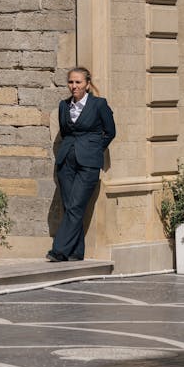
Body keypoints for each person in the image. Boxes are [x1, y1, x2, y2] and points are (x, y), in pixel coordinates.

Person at [46, 66, 116, 262]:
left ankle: (59, 250)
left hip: (89, 162)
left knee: (76, 205)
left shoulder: (99, 104)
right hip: (66, 161)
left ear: (87, 84)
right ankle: (76, 251)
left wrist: (94, 149)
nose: (74, 86)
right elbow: (66, 133)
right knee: (70, 206)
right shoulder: (63, 105)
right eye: (71, 82)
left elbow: (110, 132)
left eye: (78, 82)